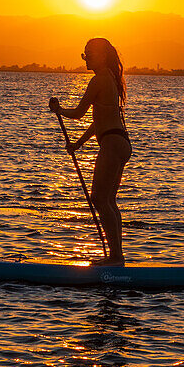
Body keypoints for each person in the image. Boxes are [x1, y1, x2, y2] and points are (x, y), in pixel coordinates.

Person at [49, 38, 131, 265]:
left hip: (113, 144)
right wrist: (78, 144)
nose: (86, 58)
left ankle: (115, 258)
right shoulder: (111, 79)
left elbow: (78, 113)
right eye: (84, 54)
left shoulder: (99, 81)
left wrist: (58, 110)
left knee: (99, 199)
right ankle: (117, 256)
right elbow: (99, 123)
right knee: (109, 201)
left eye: (90, 54)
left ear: (102, 56)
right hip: (119, 142)